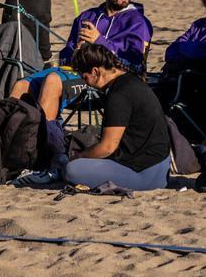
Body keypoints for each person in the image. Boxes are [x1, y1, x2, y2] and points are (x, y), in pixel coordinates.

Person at [64, 44, 171, 191]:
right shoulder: (132, 80)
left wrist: (80, 156)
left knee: (72, 169)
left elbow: (107, 147)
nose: (85, 83)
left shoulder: (118, 94)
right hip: (161, 166)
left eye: (85, 77)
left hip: (144, 174)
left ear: (95, 71)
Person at [59, 0, 153, 72]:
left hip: (117, 80)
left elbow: (135, 65)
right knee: (39, 80)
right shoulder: (86, 17)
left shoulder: (139, 22)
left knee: (53, 81)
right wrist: (76, 53)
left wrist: (99, 41)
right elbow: (63, 58)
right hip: (81, 76)